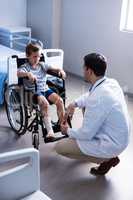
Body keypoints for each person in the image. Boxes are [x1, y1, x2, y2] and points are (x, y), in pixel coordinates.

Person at [55, 53, 130, 175]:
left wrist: (67, 131)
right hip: (121, 138)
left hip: (111, 144)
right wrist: (73, 104)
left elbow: (86, 134)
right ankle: (102, 154)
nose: (83, 70)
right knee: (84, 106)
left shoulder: (98, 97)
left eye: (84, 67)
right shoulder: (111, 83)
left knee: (60, 147)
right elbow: (89, 96)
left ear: (89, 70)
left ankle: (107, 159)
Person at [17, 42, 66, 140]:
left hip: (45, 89)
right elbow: (18, 73)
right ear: (28, 56)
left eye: (39, 56)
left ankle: (62, 125)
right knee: (45, 104)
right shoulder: (25, 67)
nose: (37, 59)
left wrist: (60, 70)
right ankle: (50, 131)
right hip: (33, 92)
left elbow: (54, 68)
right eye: (34, 56)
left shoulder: (42, 65)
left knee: (60, 101)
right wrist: (27, 74)